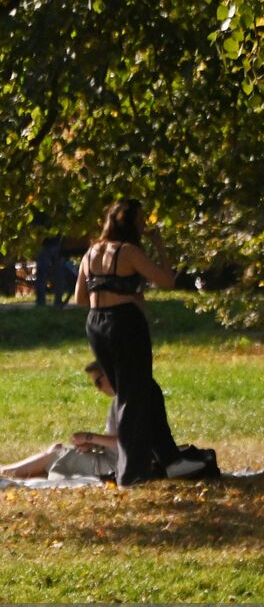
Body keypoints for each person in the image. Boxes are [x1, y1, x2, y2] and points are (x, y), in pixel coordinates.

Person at [73, 200, 204, 485]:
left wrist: (110, 290)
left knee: (144, 389)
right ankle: (131, 474)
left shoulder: (91, 252)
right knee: (132, 397)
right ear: (129, 224)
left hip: (96, 325)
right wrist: (159, 246)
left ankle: (170, 459)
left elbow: (80, 298)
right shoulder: (128, 251)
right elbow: (166, 281)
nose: (145, 226)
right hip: (125, 324)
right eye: (141, 221)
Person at [0, 362, 119, 480]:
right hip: (111, 459)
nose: (98, 389)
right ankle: (3, 471)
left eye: (98, 382)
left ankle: (0, 471)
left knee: (59, 453)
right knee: (57, 448)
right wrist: (94, 444)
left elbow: (124, 442)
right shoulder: (119, 402)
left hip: (114, 466)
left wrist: (89, 437)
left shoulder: (126, 404)